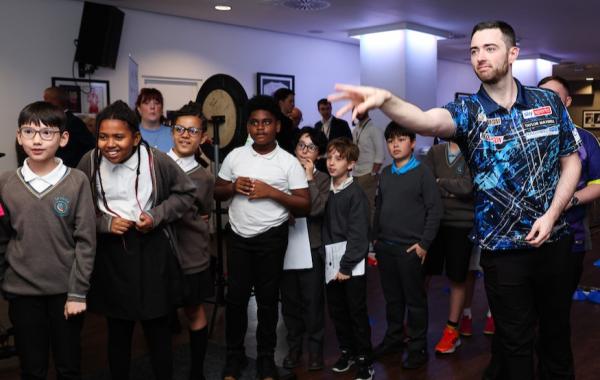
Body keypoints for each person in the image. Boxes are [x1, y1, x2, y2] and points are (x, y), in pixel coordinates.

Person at [329, 20, 582, 380]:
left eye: (490, 48)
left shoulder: (548, 103)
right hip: (503, 250)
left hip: (555, 244)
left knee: (557, 340)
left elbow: (571, 160)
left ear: (513, 53)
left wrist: (553, 212)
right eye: (474, 50)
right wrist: (387, 100)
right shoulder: (468, 111)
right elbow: (426, 120)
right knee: (515, 345)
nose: (480, 57)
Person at [77, 100, 196, 380]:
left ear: (136, 137)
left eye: (119, 136)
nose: (110, 144)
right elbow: (78, 209)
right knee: (118, 329)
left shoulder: (158, 160)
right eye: (103, 137)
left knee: (157, 327)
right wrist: (104, 223)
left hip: (151, 248)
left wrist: (156, 215)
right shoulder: (89, 161)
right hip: (111, 253)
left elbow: (186, 194)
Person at [214, 95, 310, 380]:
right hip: (238, 238)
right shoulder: (235, 156)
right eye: (254, 123)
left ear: (277, 127)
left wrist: (273, 192)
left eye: (267, 122)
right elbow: (216, 191)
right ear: (248, 127)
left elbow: (305, 205)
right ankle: (235, 357)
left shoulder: (288, 162)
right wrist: (232, 186)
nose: (260, 128)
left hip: (272, 238)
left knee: (268, 302)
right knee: (236, 301)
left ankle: (266, 358)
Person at [0, 101, 96, 379]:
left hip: (66, 293)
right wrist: (6, 280)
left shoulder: (76, 181)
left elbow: (86, 241)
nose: (37, 140)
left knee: (68, 365)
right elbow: (3, 237)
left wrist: (78, 292)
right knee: (32, 368)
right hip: (22, 294)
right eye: (29, 132)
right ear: (19, 137)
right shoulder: (6, 183)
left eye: (47, 133)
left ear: (63, 138)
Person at [538, 75, 600, 375]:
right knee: (524, 314)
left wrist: (567, 201)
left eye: (554, 96)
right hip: (528, 240)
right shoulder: (526, 137)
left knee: (557, 313)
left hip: (571, 236)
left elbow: (599, 183)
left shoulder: (584, 139)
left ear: (567, 102)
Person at [372, 122, 442, 367]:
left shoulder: (422, 172)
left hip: (410, 249)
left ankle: (417, 347)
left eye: (401, 140)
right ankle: (393, 339)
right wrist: (375, 239)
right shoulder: (386, 173)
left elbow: (435, 210)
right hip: (386, 247)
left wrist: (424, 244)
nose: (395, 145)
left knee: (415, 301)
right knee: (392, 299)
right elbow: (379, 207)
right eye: (391, 140)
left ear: (412, 143)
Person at [167, 101, 215, 380]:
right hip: (160, 254)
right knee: (160, 314)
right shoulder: (155, 164)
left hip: (192, 255)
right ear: (172, 132)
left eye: (193, 131)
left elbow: (205, 212)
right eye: (180, 129)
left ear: (202, 137)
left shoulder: (205, 176)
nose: (185, 135)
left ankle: (197, 371)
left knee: (194, 311)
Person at [323, 137, 373, 380]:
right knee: (337, 312)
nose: (332, 163)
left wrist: (345, 266)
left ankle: (365, 359)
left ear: (351, 164)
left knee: (356, 312)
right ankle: (347, 352)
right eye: (329, 157)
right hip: (331, 263)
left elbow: (359, 235)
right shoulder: (327, 192)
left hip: (351, 266)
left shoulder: (356, 194)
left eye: (338, 158)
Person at [280, 126, 329, 371]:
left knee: (313, 302)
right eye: (301, 145)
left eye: (310, 146)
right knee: (290, 303)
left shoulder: (323, 178)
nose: (304, 150)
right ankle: (294, 347)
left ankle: (316, 352)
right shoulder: (284, 173)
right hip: (287, 246)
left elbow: (317, 209)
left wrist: (309, 179)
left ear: (318, 153)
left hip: (311, 246)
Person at [423, 140, 474, 354]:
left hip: (462, 224)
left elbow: (469, 187)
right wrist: (453, 188)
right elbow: (426, 185)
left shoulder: (473, 151)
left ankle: (452, 331)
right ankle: (416, 324)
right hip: (433, 222)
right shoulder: (435, 152)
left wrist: (440, 183)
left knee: (457, 277)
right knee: (422, 274)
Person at [43, 87, 96, 167]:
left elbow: (88, 147)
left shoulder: (74, 122)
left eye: (47, 100)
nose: (45, 103)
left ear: (56, 101)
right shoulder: (51, 121)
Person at [352, 110, 384, 232]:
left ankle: (371, 238)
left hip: (368, 173)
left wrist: (373, 173)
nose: (357, 112)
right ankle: (360, 235)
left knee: (368, 207)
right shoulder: (356, 130)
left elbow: (380, 154)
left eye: (360, 109)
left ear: (367, 109)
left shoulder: (374, 129)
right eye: (355, 110)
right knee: (357, 206)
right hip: (355, 173)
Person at [136, 88, 173, 152]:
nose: (152, 107)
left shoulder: (173, 133)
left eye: (156, 103)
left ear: (162, 109)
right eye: (147, 103)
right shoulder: (132, 133)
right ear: (139, 109)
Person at [272, 88, 297, 154]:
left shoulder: (275, 118)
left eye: (293, 101)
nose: (293, 104)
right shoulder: (283, 121)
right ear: (281, 102)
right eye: (290, 101)